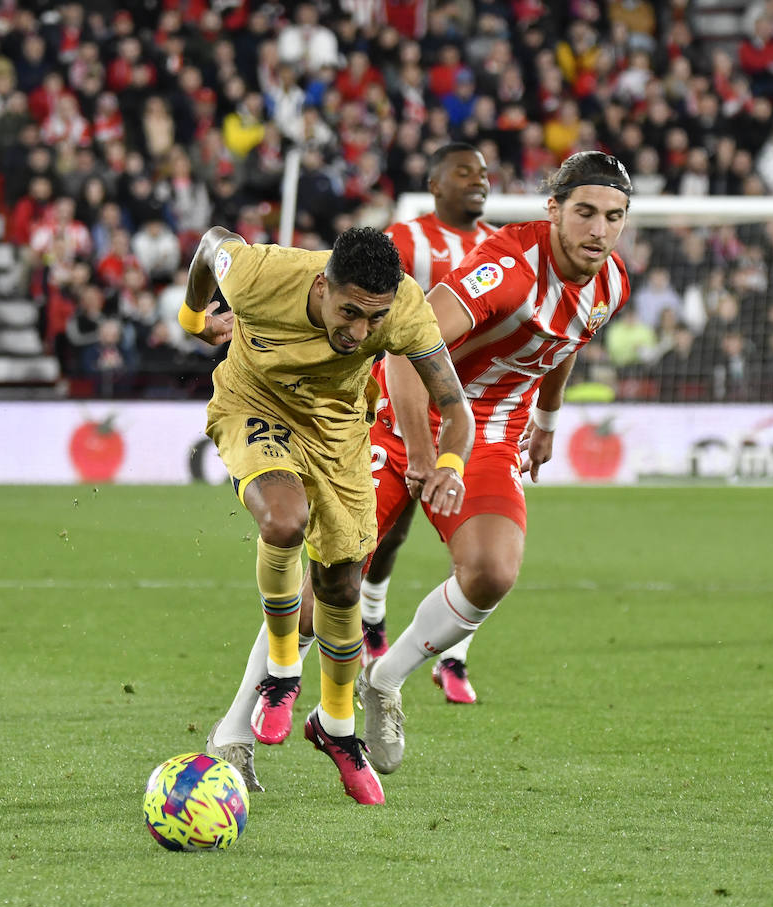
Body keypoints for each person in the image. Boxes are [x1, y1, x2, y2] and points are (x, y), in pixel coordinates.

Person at [357, 150, 633, 775]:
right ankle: (240, 726)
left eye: (613, 217)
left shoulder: (612, 281)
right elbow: (404, 348)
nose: (599, 230)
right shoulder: (508, 267)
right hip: (402, 416)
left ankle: (384, 679)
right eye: (585, 213)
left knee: (491, 573)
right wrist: (423, 454)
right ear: (554, 209)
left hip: (491, 434)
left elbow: (569, 336)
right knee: (326, 589)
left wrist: (547, 419)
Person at [182, 224, 475, 805]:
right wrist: (193, 317)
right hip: (254, 405)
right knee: (283, 520)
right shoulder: (259, 275)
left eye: (374, 318)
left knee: (341, 586)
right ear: (322, 286)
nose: (360, 331)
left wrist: (450, 464)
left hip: (339, 432)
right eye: (349, 313)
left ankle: (335, 727)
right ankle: (282, 670)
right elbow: (212, 242)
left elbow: (453, 404)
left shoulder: (404, 306)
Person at [362, 141, 495, 703]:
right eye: (464, 172)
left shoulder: (501, 248)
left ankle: (453, 658)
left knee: (476, 539)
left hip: (471, 414)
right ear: (435, 184)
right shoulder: (404, 239)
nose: (479, 180)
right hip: (400, 406)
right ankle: (372, 616)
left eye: (484, 173)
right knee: (389, 531)